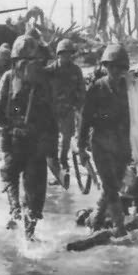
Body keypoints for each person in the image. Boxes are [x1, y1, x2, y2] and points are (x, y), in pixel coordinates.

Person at [0, 36, 58, 240]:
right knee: (35, 186)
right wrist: (53, 149)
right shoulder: (45, 79)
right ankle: (29, 232)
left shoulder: (9, 77)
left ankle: (15, 210)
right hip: (36, 141)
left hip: (13, 138)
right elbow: (52, 115)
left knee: (10, 177)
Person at [77, 43, 132, 235]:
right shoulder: (97, 89)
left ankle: (96, 219)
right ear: (106, 67)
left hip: (122, 144)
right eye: (112, 67)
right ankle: (119, 226)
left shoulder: (129, 89)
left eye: (120, 67)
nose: (116, 71)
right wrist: (81, 147)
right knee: (110, 185)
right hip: (101, 143)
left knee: (114, 185)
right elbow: (85, 120)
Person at [47, 38, 86, 189]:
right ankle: (55, 169)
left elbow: (81, 89)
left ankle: (64, 163)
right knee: (52, 141)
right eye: (64, 54)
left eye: (69, 54)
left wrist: (79, 105)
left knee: (67, 138)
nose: (67, 57)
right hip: (52, 111)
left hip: (68, 110)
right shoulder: (51, 70)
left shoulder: (76, 70)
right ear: (59, 55)